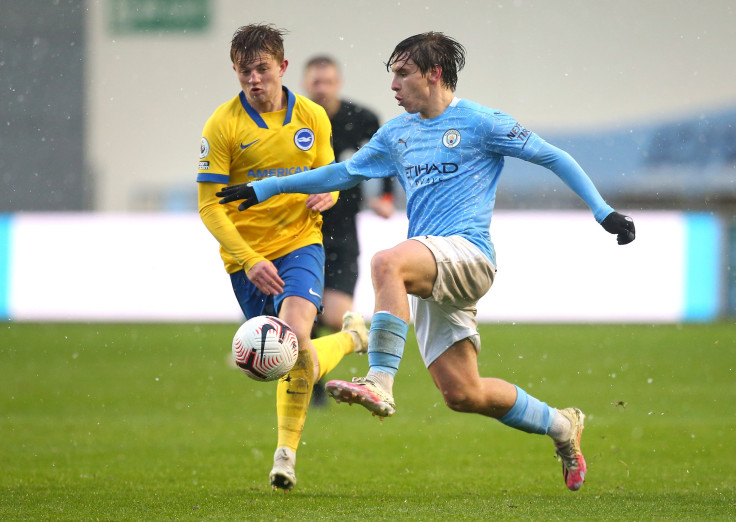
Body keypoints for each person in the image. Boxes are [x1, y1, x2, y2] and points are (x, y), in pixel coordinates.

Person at [217, 31, 636, 492]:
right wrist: (266, 188)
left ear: (434, 74)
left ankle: (379, 380)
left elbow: (553, 157)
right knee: (463, 393)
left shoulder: (481, 122)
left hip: (468, 254)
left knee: (385, 263)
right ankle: (562, 425)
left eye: (403, 74)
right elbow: (341, 172)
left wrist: (605, 213)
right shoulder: (397, 133)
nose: (393, 85)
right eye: (391, 75)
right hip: (431, 268)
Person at [196, 23, 369, 492]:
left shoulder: (311, 116)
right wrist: (249, 259)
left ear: (282, 67)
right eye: (244, 71)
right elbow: (209, 205)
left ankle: (285, 455)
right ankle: (353, 338)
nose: (254, 79)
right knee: (280, 361)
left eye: (262, 69)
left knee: (293, 338)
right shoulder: (223, 126)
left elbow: (328, 175)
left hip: (299, 244)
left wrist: (329, 194)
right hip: (246, 260)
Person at [301, 55, 393, 406]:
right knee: (304, 311)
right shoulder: (295, 120)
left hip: (343, 230)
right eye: (315, 82)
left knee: (335, 315)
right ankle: (311, 382)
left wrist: (385, 196)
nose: (321, 88)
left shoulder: (361, 118)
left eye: (327, 82)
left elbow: (384, 156)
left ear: (337, 82)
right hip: (302, 228)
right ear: (306, 84)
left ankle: (317, 357)